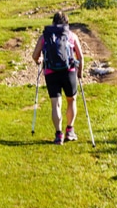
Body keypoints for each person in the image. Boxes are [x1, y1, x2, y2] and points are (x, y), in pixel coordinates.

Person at [32, 11, 84, 145]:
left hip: (51, 72)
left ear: (53, 22)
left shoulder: (45, 36)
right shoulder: (71, 36)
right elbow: (80, 57)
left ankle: (58, 134)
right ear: (66, 23)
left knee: (56, 104)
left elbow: (35, 55)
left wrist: (39, 61)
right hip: (69, 71)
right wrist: (80, 73)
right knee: (71, 100)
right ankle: (70, 130)